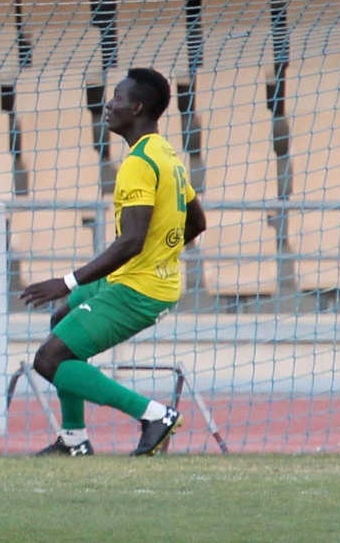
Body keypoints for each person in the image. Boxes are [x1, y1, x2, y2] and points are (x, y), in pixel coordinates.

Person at [21, 68, 209, 457]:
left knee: (49, 359)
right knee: (61, 322)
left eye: (118, 98)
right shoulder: (166, 154)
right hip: (142, 278)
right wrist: (164, 253)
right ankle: (74, 439)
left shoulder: (139, 163)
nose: (109, 104)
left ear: (137, 107)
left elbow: (131, 242)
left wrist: (68, 281)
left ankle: (154, 414)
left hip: (139, 289)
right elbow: (197, 221)